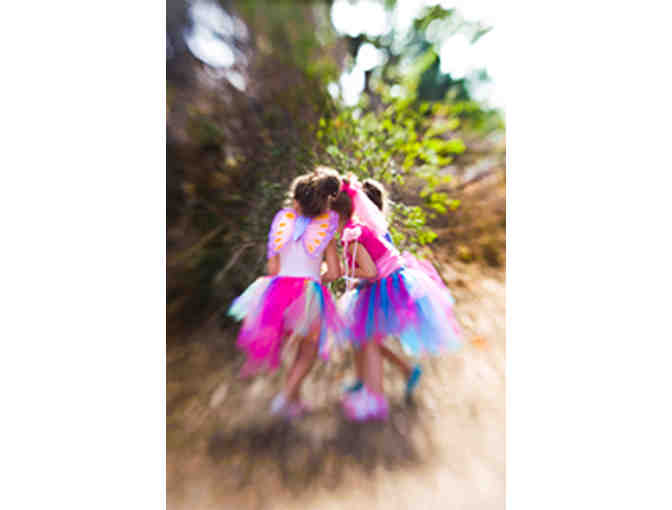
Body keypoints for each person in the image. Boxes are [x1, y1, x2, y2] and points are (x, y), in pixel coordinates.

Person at [330, 176, 462, 421]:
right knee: (367, 339)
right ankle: (370, 390)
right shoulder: (357, 230)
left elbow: (371, 271)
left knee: (369, 340)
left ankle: (374, 397)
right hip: (382, 284)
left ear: (335, 215)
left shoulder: (353, 235)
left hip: (386, 286)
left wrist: (343, 272)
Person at [228, 170, 344, 419]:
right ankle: (286, 397)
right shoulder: (326, 228)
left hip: (278, 292)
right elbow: (335, 272)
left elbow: (273, 269)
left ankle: (293, 401)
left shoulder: (282, 223)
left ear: (296, 201)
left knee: (294, 347)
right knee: (308, 351)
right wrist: (317, 278)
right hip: (309, 295)